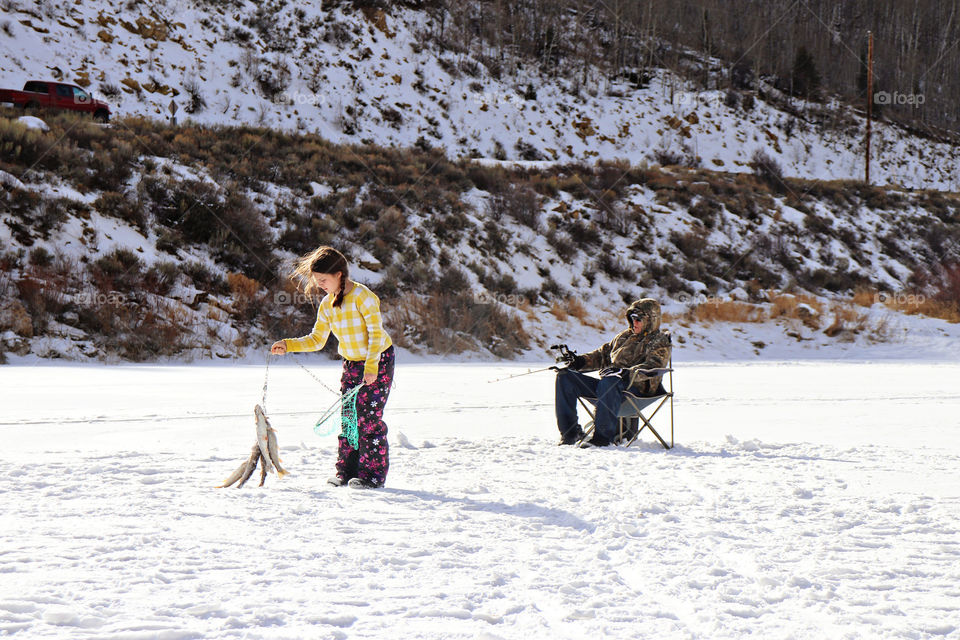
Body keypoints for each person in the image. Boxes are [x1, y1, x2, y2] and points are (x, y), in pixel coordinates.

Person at [271, 246, 395, 488]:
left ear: (339, 274)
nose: (320, 285)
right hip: (351, 364)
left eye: (323, 280)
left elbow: (376, 335)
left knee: (368, 419)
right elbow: (317, 339)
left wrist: (371, 367)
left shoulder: (364, 297)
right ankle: (346, 472)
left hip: (378, 360)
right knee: (349, 418)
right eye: (317, 281)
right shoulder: (328, 305)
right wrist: (288, 345)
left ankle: (372, 476)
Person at [555, 298, 671, 447]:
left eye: (639, 319)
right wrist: (578, 361)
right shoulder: (624, 337)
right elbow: (601, 355)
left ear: (651, 320)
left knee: (610, 380)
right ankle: (571, 433)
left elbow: (653, 366)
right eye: (632, 318)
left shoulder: (659, 340)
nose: (634, 322)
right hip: (608, 388)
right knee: (565, 377)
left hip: (635, 391)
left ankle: (602, 439)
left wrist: (625, 372)